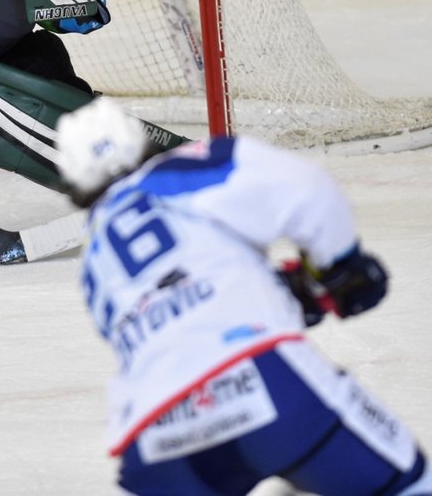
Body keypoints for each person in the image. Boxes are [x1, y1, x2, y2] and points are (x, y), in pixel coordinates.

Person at [53, 98, 431, 495]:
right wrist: (336, 269)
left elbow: (175, 317)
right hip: (263, 383)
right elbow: (308, 190)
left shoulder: (94, 258)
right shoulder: (183, 168)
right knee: (409, 484)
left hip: (153, 437)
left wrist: (277, 295)